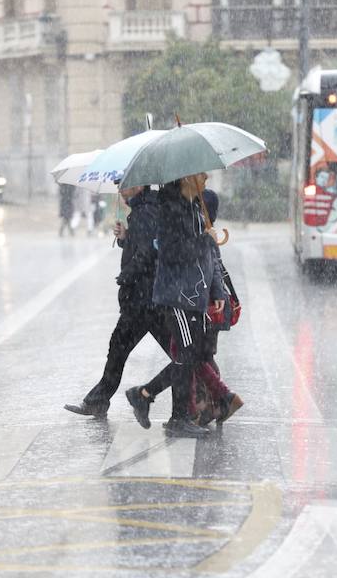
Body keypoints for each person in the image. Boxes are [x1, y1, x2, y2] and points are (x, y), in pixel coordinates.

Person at [125, 173, 225, 437]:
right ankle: (176, 416)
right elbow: (172, 252)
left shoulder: (195, 206)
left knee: (190, 355)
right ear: (186, 180)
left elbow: (206, 256)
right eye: (200, 174)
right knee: (187, 354)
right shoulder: (171, 210)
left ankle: (145, 395)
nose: (206, 177)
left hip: (195, 294)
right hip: (177, 295)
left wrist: (215, 290)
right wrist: (206, 239)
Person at [64, 185, 169, 417]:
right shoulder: (143, 209)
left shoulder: (146, 211)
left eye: (126, 184)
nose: (121, 189)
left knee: (125, 348)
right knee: (175, 353)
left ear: (140, 185)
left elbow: (148, 253)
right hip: (146, 298)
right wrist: (126, 238)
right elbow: (145, 244)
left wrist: (127, 274)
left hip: (143, 298)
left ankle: (211, 395)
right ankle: (212, 394)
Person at [189, 189, 242, 427]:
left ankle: (216, 403)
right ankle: (214, 404)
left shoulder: (205, 235)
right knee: (203, 356)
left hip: (209, 306)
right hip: (211, 305)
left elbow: (215, 270)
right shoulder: (204, 233)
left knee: (202, 357)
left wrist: (218, 294)